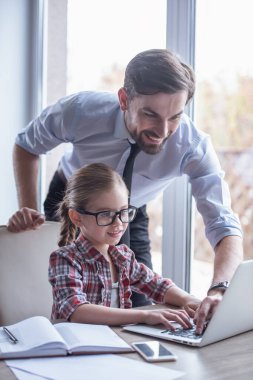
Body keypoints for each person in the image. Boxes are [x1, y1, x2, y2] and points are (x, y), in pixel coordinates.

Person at [8, 49, 243, 330]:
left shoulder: (193, 146)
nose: (163, 130)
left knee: (142, 304)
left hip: (132, 209)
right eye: (150, 114)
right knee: (50, 292)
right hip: (73, 198)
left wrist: (218, 290)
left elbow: (222, 222)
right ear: (124, 99)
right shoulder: (81, 110)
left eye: (175, 117)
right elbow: (26, 145)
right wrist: (30, 209)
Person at [48, 163, 201, 329]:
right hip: (74, 349)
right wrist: (145, 315)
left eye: (123, 211)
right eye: (106, 214)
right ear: (77, 217)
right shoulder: (65, 259)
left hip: (114, 343)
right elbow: (77, 311)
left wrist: (191, 300)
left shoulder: (123, 257)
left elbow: (158, 286)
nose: (118, 223)